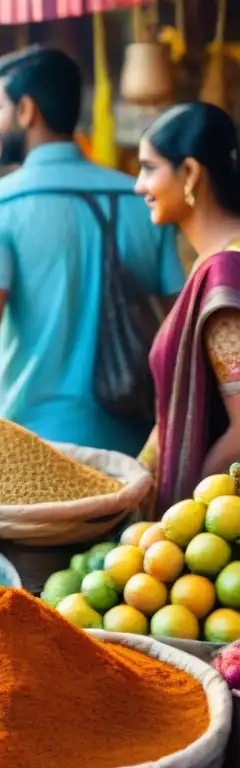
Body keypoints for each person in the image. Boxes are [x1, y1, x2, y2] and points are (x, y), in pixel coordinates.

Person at [0, 46, 183, 455]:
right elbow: (181, 322)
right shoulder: (140, 198)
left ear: (27, 111)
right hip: (135, 441)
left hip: (34, 445)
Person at [135, 102, 240, 514]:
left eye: (149, 168)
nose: (138, 186)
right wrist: (141, 475)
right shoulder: (210, 263)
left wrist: (182, 508)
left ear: (191, 173)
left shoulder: (227, 270)